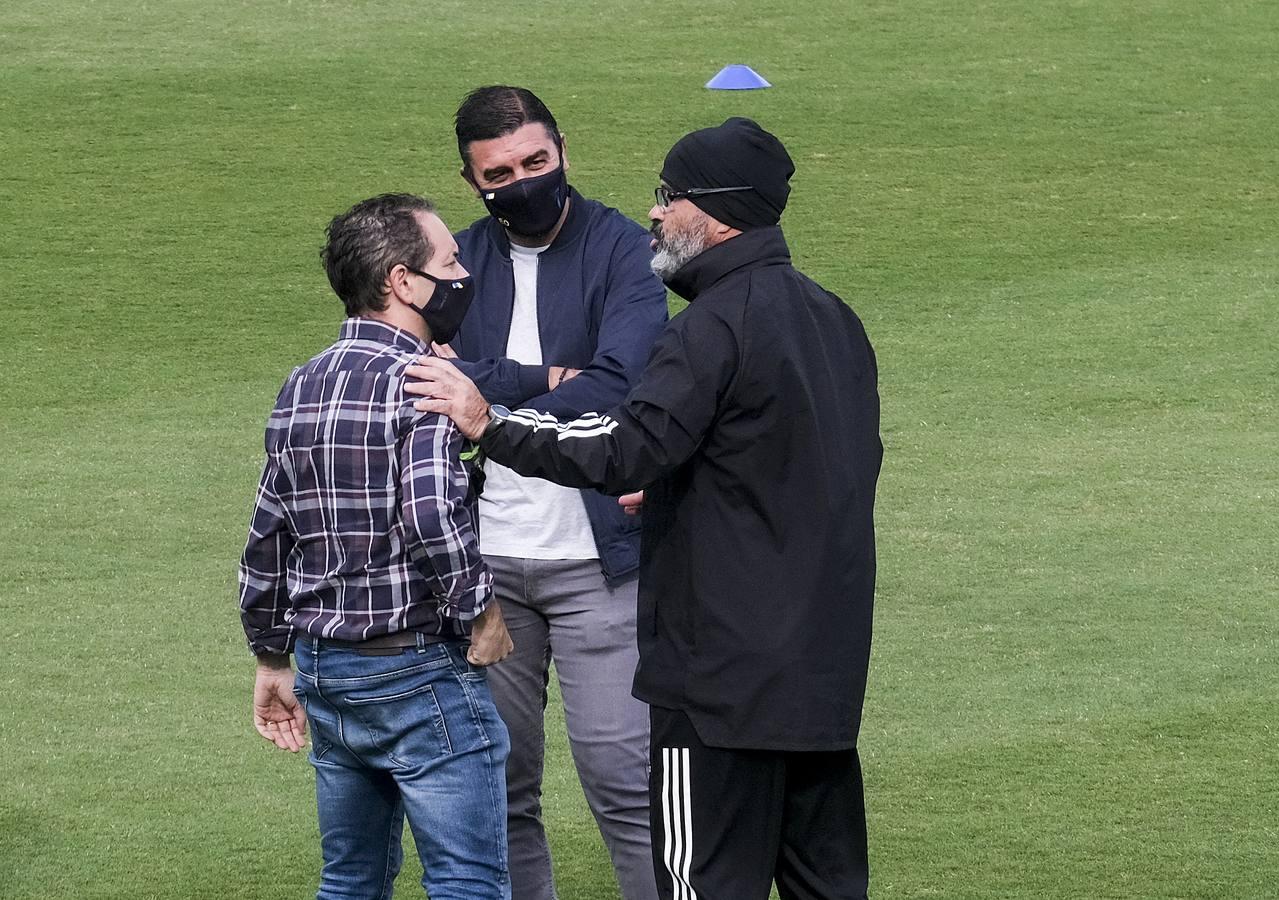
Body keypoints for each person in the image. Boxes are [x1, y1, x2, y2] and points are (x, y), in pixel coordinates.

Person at [405, 118, 883, 900]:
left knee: (698, 885)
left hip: (718, 683)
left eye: (671, 196)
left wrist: (487, 423)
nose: (656, 214)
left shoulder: (711, 329)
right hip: (822, 675)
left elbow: (621, 449)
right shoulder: (835, 319)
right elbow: (806, 465)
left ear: (718, 212)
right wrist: (678, 479)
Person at [237, 193, 513, 899]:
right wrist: (481, 612)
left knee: (351, 881)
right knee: (467, 882)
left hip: (328, 673)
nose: (460, 275)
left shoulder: (301, 383)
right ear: (401, 281)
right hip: (416, 667)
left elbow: (269, 529)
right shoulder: (426, 380)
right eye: (448, 262)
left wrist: (271, 655)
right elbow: (430, 512)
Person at [437, 85, 667, 900]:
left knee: (627, 786)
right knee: (498, 789)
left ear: (564, 148)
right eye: (500, 172)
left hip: (600, 560)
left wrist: (487, 405)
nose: (523, 180)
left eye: (537, 161)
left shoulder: (625, 250)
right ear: (473, 182)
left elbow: (621, 384)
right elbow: (433, 377)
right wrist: (543, 378)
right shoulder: (458, 262)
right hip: (487, 567)